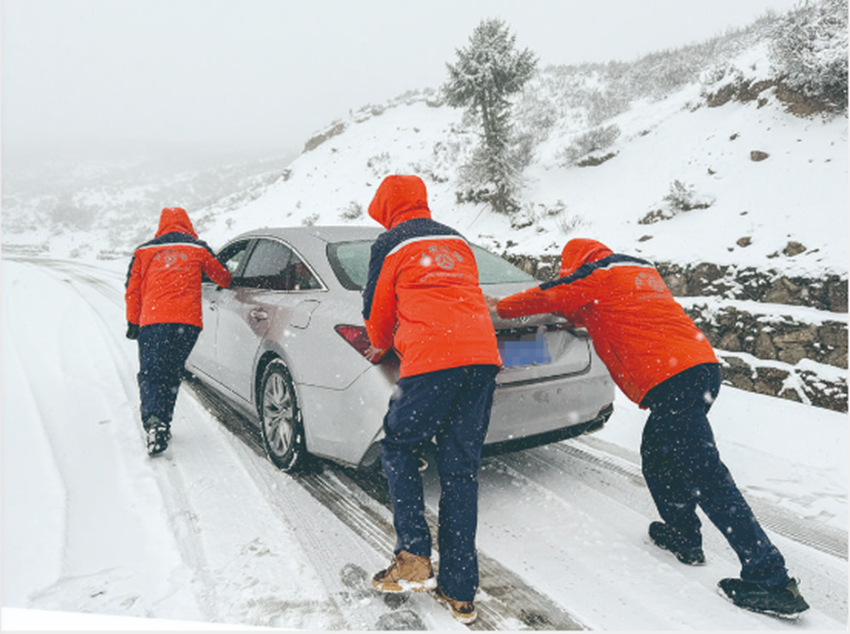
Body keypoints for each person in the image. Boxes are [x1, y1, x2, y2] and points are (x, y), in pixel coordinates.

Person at [484, 238, 809, 618]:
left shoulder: (597, 274)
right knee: (658, 456)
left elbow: (549, 295)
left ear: (575, 264)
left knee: (707, 476)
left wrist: (497, 307)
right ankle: (683, 535)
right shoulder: (636, 271)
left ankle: (770, 578)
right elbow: (588, 312)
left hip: (673, 380)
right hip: (699, 370)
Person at [363, 175, 501, 624]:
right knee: (460, 469)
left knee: (399, 448)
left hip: (432, 359)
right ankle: (460, 591)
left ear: (386, 207)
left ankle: (413, 558)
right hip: (482, 359)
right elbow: (462, 296)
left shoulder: (390, 243)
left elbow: (376, 314)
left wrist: (381, 343)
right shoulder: (456, 240)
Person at [125, 207, 232, 456]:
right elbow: (224, 278)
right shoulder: (198, 248)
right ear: (187, 224)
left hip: (152, 322)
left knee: (152, 373)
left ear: (161, 225)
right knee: (172, 373)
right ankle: (164, 422)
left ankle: (155, 422)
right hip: (187, 324)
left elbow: (133, 290)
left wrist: (132, 322)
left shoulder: (143, 251)